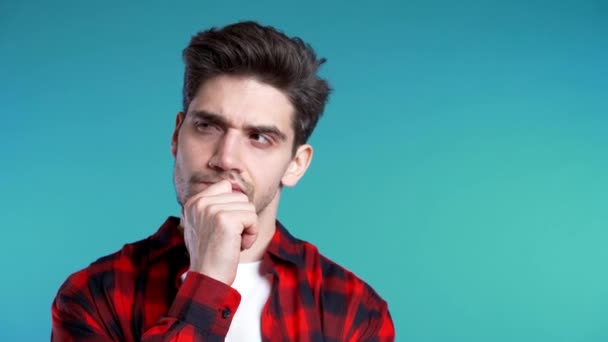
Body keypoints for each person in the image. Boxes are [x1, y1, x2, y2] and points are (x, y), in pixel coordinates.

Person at [51, 21, 395, 341]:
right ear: (176, 136)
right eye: (207, 126)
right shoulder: (93, 295)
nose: (226, 158)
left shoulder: (355, 310)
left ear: (296, 164)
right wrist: (209, 279)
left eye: (259, 137)